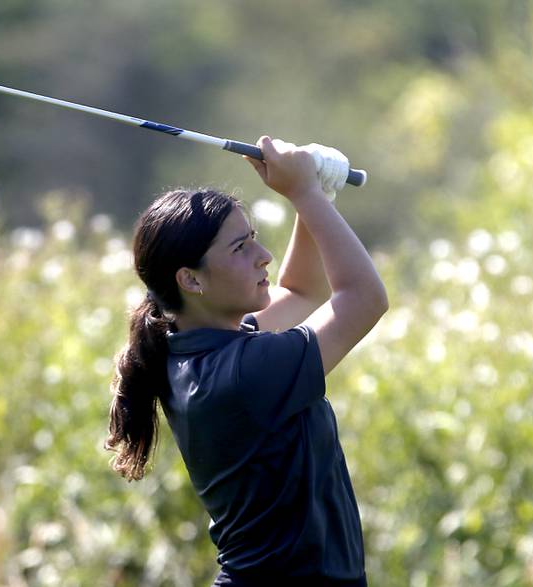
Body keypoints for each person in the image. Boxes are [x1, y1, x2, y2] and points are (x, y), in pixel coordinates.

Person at [105, 136, 388, 586]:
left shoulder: (198, 348)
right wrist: (306, 194)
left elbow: (300, 292)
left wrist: (316, 196)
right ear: (191, 280)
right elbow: (364, 299)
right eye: (240, 248)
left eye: (253, 239)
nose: (264, 256)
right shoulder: (243, 372)